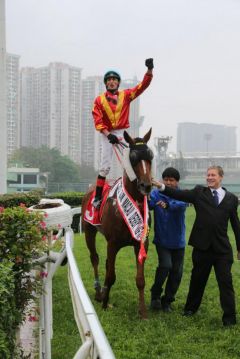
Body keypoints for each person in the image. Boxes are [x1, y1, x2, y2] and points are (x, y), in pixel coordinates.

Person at [153, 165, 240, 326]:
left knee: (226, 283)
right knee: (197, 280)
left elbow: (236, 224)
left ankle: (229, 318)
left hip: (222, 250)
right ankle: (190, 309)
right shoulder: (199, 192)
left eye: (213, 175)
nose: (209, 178)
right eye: (208, 175)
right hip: (202, 247)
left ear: (221, 177)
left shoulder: (231, 199)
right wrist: (161, 186)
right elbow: (179, 193)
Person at [92, 58, 154, 209]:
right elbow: (97, 120)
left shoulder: (126, 95)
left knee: (137, 158)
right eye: (109, 80)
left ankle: (146, 189)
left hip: (121, 132)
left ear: (118, 83)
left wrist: (149, 71)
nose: (112, 82)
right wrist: (108, 134)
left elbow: (142, 87)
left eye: (114, 80)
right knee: (105, 166)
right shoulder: (99, 100)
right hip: (107, 134)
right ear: (106, 83)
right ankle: (98, 197)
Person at [149, 167, 187, 312]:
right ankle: (155, 295)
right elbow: (149, 205)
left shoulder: (182, 195)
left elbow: (181, 205)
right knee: (165, 266)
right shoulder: (156, 193)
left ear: (177, 182)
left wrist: (168, 205)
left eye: (172, 180)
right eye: (166, 179)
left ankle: (167, 301)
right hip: (162, 240)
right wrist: (147, 195)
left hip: (178, 241)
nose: (169, 182)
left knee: (176, 272)